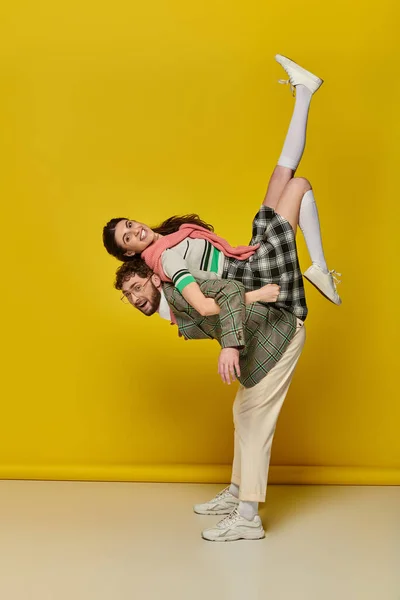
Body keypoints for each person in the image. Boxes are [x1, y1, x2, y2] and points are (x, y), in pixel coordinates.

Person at [103, 54, 342, 323]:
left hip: (244, 260)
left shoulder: (166, 239)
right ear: (129, 252)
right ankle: (320, 268)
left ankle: (304, 91)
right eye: (128, 237)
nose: (136, 230)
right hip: (251, 274)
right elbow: (192, 306)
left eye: (130, 224)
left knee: (282, 175)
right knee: (299, 185)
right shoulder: (163, 259)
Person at [113, 258, 306, 542]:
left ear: (155, 280)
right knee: (242, 413)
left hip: (278, 338)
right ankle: (237, 494)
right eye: (127, 294)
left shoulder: (180, 288)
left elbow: (229, 290)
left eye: (137, 287)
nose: (134, 298)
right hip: (261, 347)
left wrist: (229, 346)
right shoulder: (169, 306)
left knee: (254, 424)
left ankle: (248, 518)